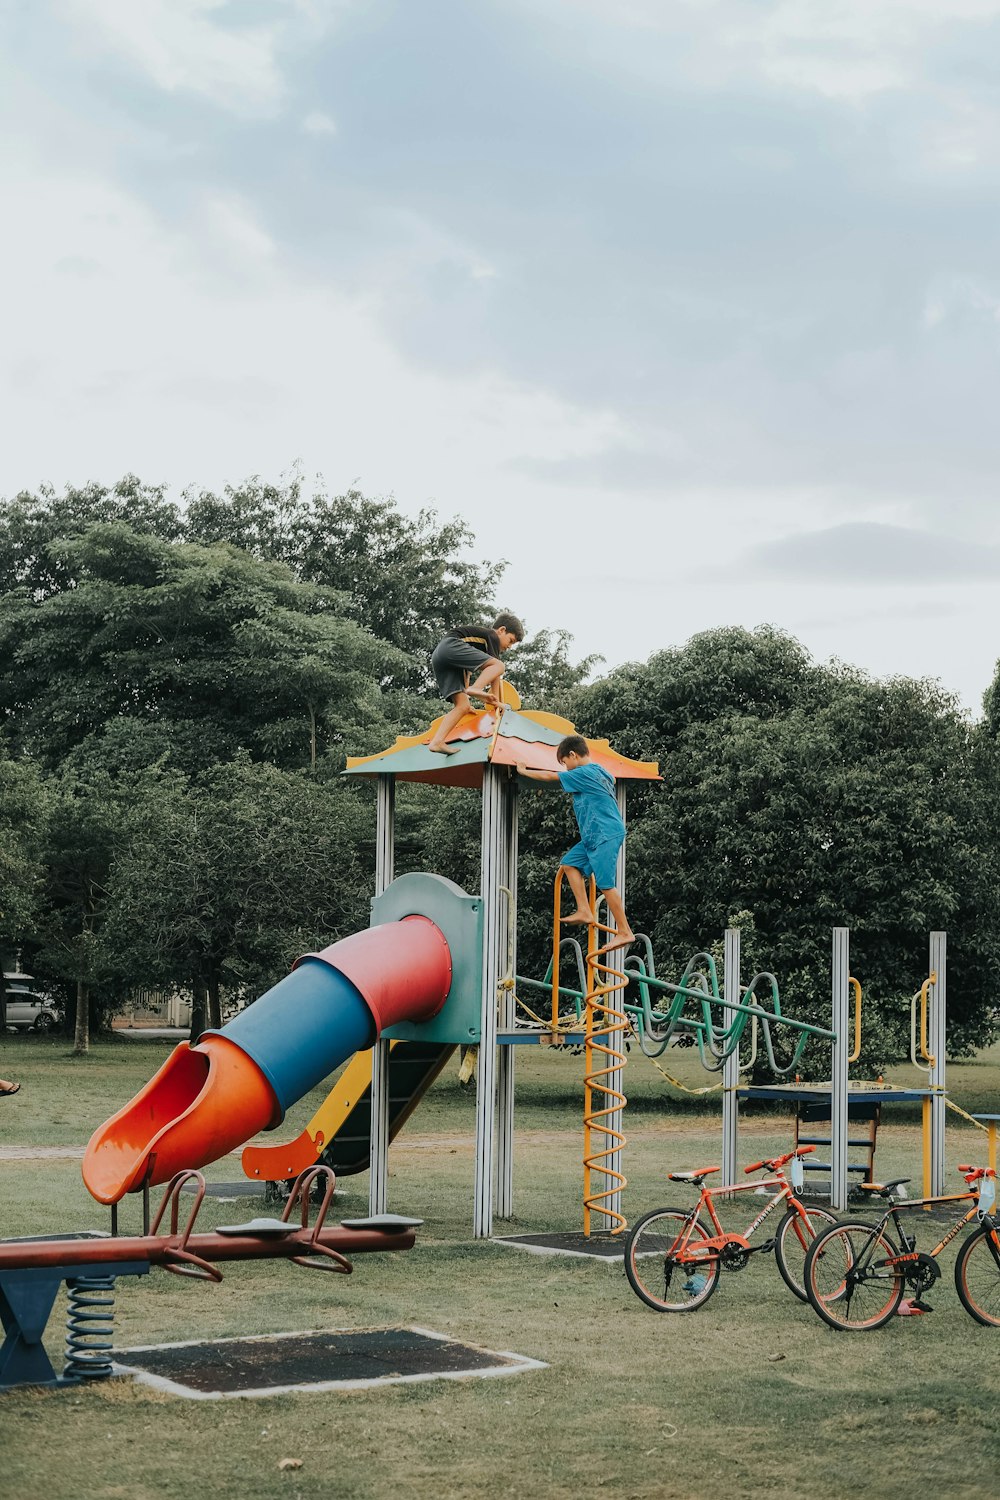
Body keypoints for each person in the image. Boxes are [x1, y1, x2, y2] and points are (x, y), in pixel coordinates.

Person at [517, 733, 634, 949]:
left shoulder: (584, 771)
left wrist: (524, 771)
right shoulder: (599, 771)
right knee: (569, 864)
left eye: (564, 763)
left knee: (605, 884)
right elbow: (613, 778)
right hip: (592, 836)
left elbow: (551, 777)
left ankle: (625, 931)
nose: (565, 768)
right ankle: (584, 910)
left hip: (604, 833)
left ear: (573, 755)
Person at [427, 613, 525, 754]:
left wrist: (467, 694)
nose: (509, 646)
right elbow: (496, 673)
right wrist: (496, 703)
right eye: (510, 641)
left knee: (463, 706)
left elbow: (467, 673)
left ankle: (436, 742)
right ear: (502, 630)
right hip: (450, 645)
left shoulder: (473, 648)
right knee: (499, 666)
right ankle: (477, 688)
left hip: (441, 656)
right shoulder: (492, 636)